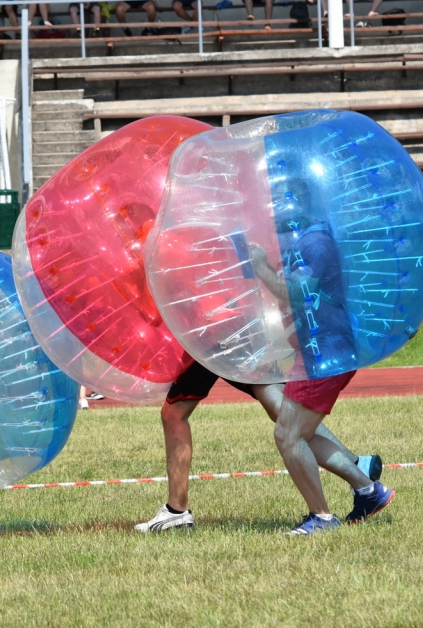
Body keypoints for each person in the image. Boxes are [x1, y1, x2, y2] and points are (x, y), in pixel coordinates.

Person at [246, 183, 394, 535]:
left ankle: (322, 518)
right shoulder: (306, 241)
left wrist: (261, 268)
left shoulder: (315, 242)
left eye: (279, 200)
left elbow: (299, 292)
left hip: (328, 350)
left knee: (288, 435)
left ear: (298, 203)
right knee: (302, 432)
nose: (272, 208)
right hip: (316, 350)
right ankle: (368, 490)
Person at [134, 361, 387, 533]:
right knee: (283, 411)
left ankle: (176, 510)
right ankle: (362, 480)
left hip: (214, 328)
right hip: (243, 324)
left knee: (174, 413)